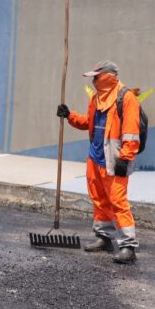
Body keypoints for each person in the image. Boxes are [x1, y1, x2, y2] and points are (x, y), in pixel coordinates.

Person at [57, 60, 142, 264]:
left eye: (96, 75)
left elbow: (132, 131)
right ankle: (104, 237)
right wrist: (69, 116)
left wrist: (125, 157)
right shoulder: (97, 98)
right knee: (99, 198)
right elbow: (89, 123)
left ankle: (128, 246)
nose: (94, 80)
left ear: (107, 75)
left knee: (118, 202)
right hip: (95, 157)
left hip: (115, 159)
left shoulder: (126, 98)